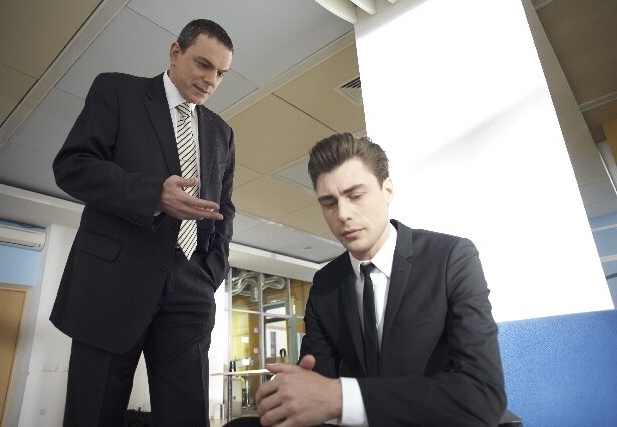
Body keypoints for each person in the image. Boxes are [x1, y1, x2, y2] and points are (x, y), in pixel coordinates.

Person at [51, 19, 235, 427]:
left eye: (221, 73)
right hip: (113, 283)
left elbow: (226, 208)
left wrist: (212, 270)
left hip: (191, 287)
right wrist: (153, 194)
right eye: (203, 64)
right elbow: (73, 166)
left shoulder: (222, 132)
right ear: (175, 52)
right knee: (93, 414)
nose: (211, 80)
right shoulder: (117, 91)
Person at [253, 133, 506, 426]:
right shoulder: (325, 284)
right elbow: (317, 381)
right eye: (329, 203)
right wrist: (289, 397)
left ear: (387, 190)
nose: (343, 214)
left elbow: (482, 393)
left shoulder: (451, 257)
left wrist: (340, 398)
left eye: (356, 196)